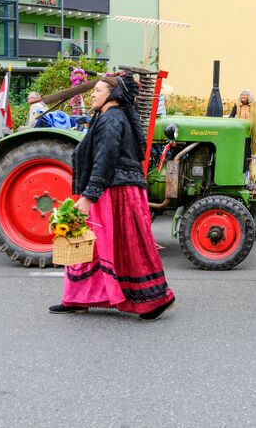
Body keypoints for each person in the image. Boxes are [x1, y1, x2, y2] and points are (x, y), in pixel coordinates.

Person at [49, 73, 176, 320]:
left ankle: (153, 300)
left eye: (97, 90)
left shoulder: (111, 119)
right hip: (118, 188)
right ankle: (78, 298)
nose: (93, 94)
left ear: (113, 95)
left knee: (125, 245)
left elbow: (105, 160)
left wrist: (88, 196)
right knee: (97, 245)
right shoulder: (112, 118)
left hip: (116, 191)